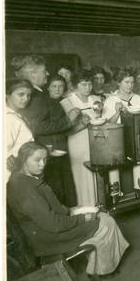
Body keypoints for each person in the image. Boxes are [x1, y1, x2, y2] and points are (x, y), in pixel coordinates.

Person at [7, 142, 129, 276]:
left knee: (100, 215)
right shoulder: (25, 189)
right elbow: (54, 224)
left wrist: (71, 210)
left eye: (45, 159)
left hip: (46, 229)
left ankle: (97, 265)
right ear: (24, 160)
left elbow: (47, 210)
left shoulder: (20, 178)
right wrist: (83, 218)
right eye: (37, 160)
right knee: (106, 222)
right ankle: (104, 270)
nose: (42, 164)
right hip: (50, 238)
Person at [13, 55, 81, 152]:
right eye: (44, 71)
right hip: (46, 149)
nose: (48, 74)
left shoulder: (37, 93)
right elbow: (38, 127)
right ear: (33, 75)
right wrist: (68, 119)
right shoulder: (34, 96)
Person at [61, 70, 101, 207]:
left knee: (96, 172)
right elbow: (65, 130)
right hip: (77, 141)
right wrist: (84, 124)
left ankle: (98, 204)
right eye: (83, 84)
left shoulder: (96, 99)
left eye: (90, 84)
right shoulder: (67, 102)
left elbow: (101, 119)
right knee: (81, 173)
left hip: (95, 140)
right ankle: (85, 207)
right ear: (75, 85)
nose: (88, 88)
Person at [45, 75, 78, 207]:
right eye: (54, 86)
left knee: (67, 182)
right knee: (55, 184)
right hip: (50, 147)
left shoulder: (65, 102)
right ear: (48, 87)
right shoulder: (44, 103)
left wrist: (79, 122)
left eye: (61, 86)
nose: (57, 89)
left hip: (64, 144)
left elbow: (70, 126)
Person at [5, 78, 34, 182]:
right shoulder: (8, 118)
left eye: (28, 95)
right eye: (20, 94)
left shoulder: (17, 115)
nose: (26, 99)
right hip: (11, 174)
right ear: (7, 95)